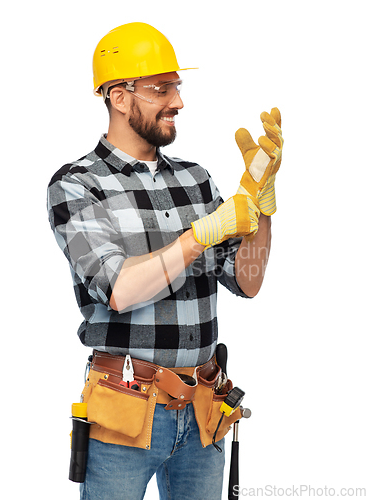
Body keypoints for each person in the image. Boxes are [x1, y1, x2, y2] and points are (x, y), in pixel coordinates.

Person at [47, 22, 282, 500]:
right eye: (161, 88)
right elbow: (118, 289)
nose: (177, 101)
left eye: (176, 87)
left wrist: (259, 210)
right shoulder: (76, 184)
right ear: (118, 95)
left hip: (203, 409)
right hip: (126, 409)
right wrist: (198, 237)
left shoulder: (196, 180)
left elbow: (248, 280)